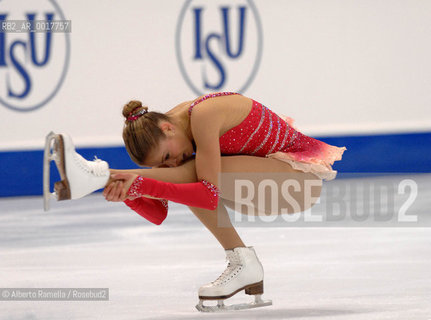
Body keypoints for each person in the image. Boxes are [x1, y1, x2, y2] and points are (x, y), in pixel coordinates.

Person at [46, 91, 346, 311]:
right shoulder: (177, 130)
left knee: (193, 177)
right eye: (162, 163)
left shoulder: (203, 115)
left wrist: (140, 182)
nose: (170, 162)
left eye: (166, 156)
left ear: (167, 128)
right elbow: (158, 214)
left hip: (297, 184)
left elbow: (206, 193)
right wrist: (131, 194)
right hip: (267, 182)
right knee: (186, 175)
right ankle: (244, 263)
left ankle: (100, 175)